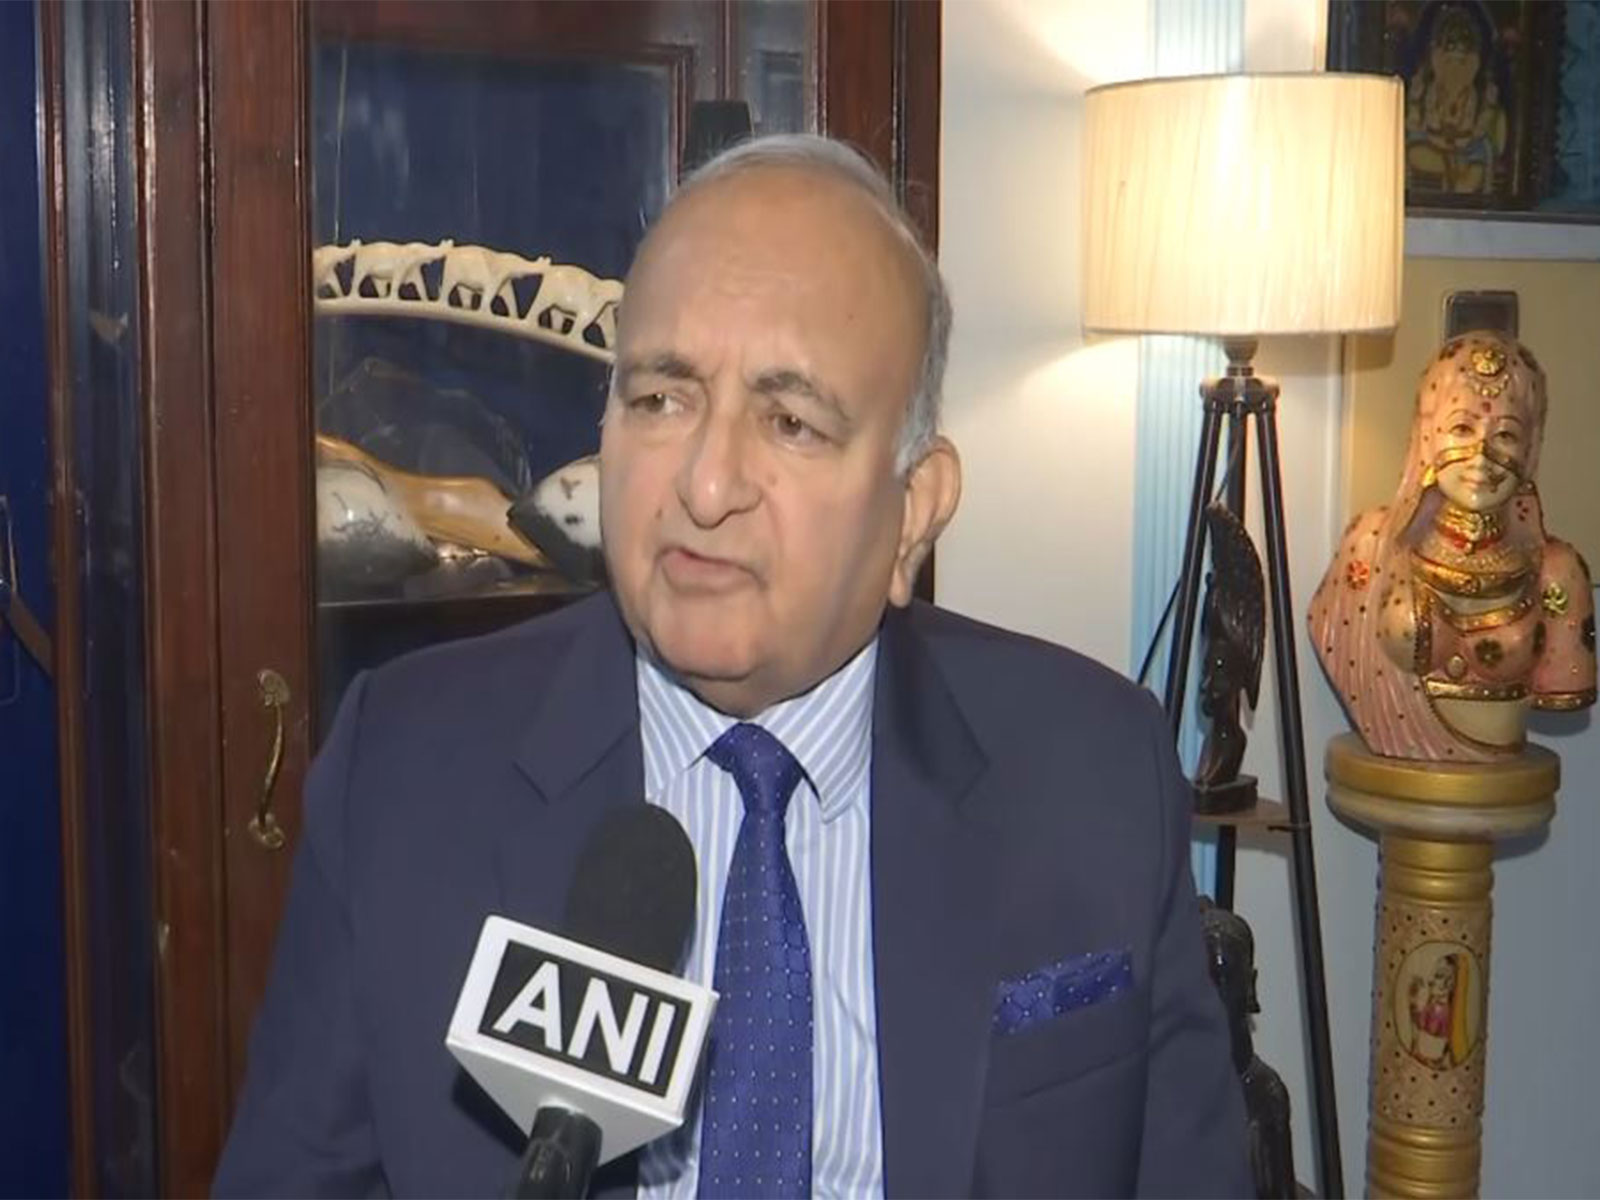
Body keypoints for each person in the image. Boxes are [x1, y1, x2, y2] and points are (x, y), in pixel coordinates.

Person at [215, 134, 1249, 1198]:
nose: (705, 487)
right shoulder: (405, 772)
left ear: (914, 511)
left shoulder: (1089, 772)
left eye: (790, 421)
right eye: (660, 400)